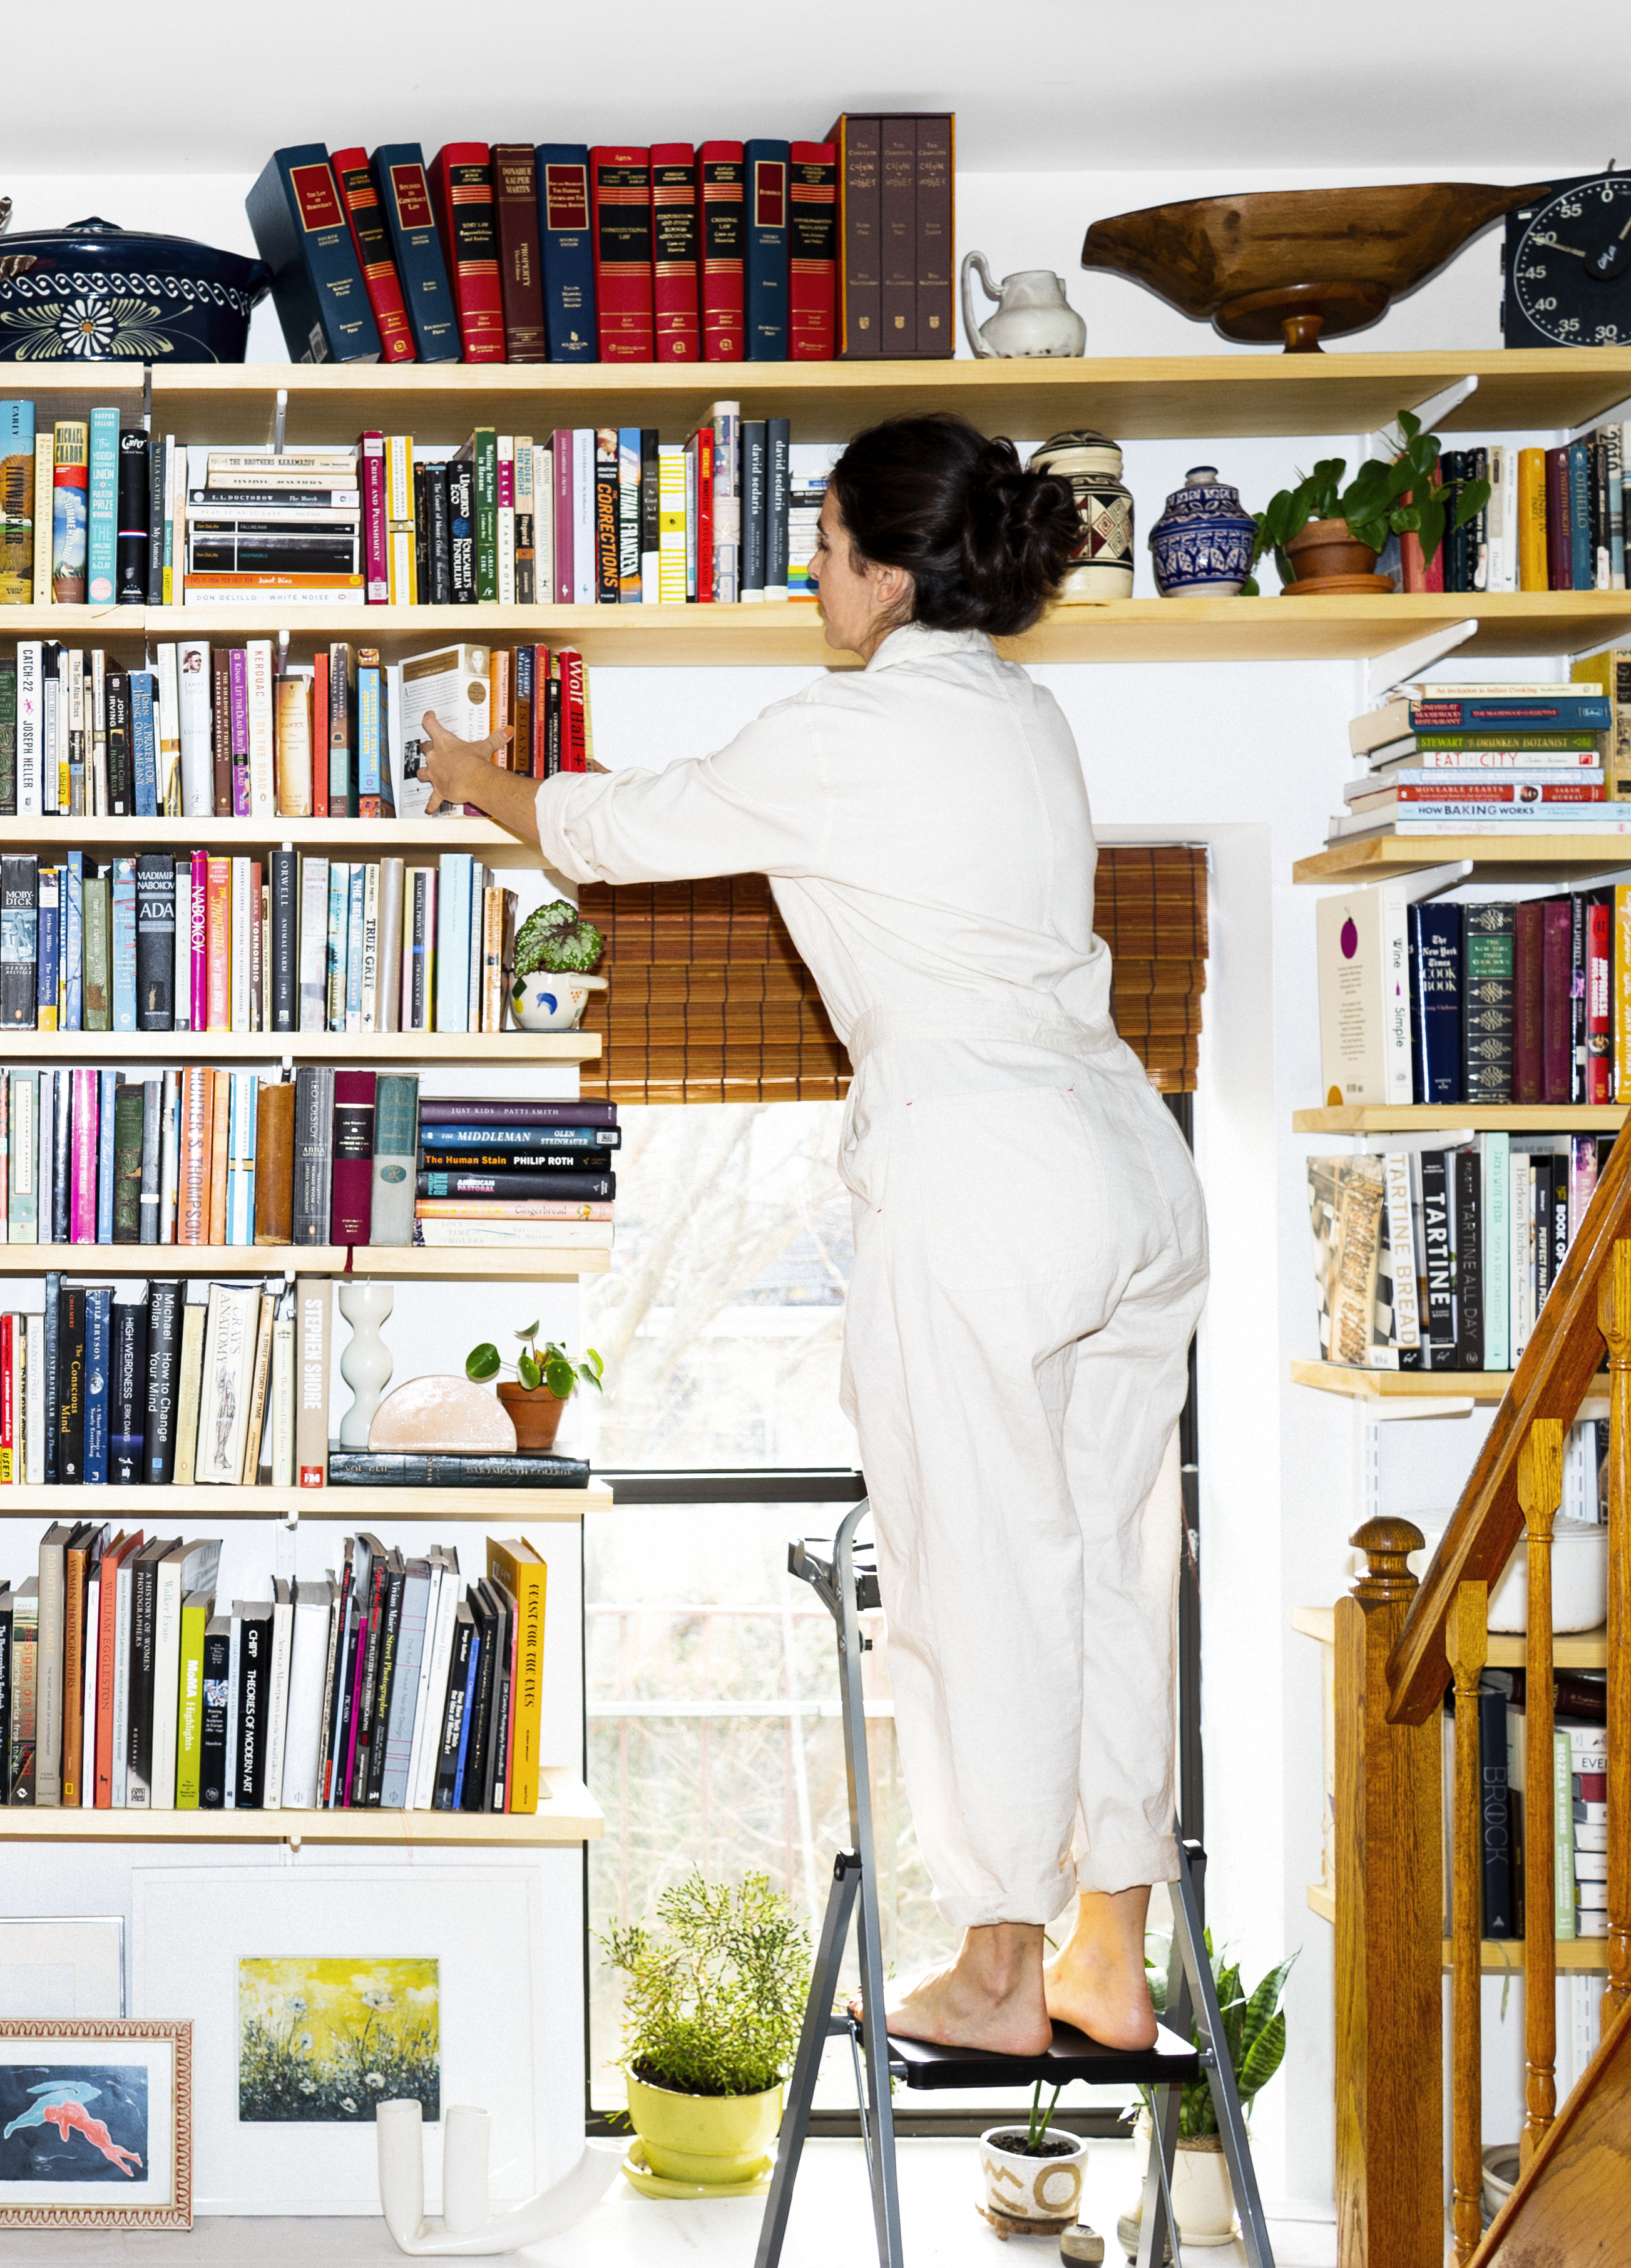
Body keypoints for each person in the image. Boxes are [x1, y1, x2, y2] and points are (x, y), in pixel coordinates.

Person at [418, 413, 1207, 2058]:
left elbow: (615, 834)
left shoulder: (844, 732)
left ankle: (997, 1969)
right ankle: (1104, 1958)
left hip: (985, 1165)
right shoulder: (1029, 716)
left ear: (886, 570)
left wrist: (469, 775)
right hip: (1129, 1157)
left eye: (825, 548)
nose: (809, 580)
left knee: (977, 1565)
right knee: (1111, 1559)